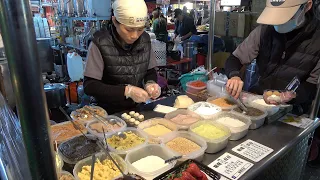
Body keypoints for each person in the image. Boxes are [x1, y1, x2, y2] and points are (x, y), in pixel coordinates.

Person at [225, 0, 320, 115]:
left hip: (293, 111)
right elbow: (235, 58)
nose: (279, 22)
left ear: (307, 6)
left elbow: (312, 85)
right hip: (259, 101)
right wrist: (234, 76)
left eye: (286, 16)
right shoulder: (264, 31)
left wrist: (292, 96)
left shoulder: (316, 41)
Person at [83, 0, 161, 114]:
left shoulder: (145, 39)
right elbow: (90, 86)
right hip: (107, 112)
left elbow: (150, 71)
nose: (134, 35)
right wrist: (127, 91)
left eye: (140, 29)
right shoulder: (100, 42)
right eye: (129, 29)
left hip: (136, 109)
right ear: (115, 21)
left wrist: (151, 83)